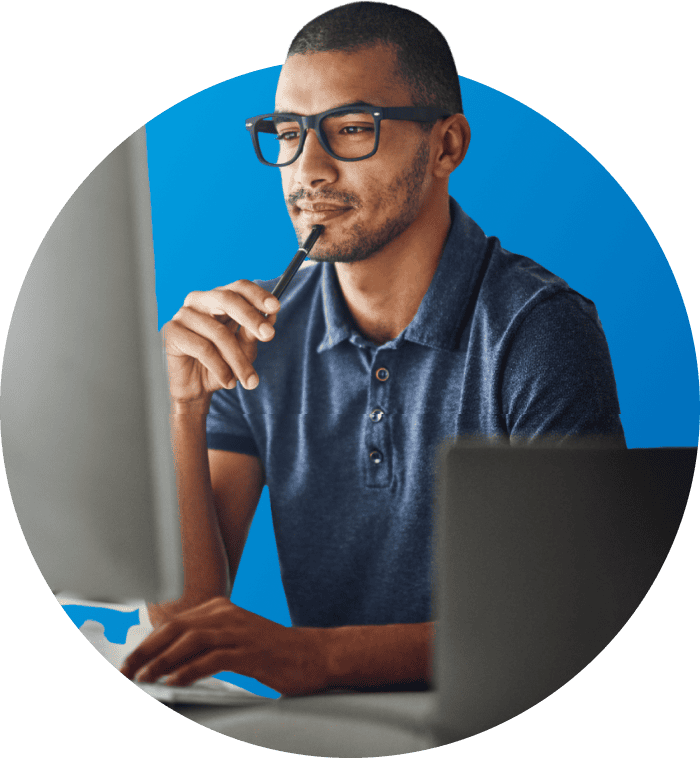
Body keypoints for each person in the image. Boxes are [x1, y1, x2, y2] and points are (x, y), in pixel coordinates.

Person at [121, 2, 625, 695]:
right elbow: (185, 629)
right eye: (288, 134)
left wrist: (313, 658)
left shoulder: (537, 329)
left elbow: (570, 625)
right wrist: (177, 410)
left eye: (352, 129)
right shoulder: (251, 338)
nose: (308, 171)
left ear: (446, 146)